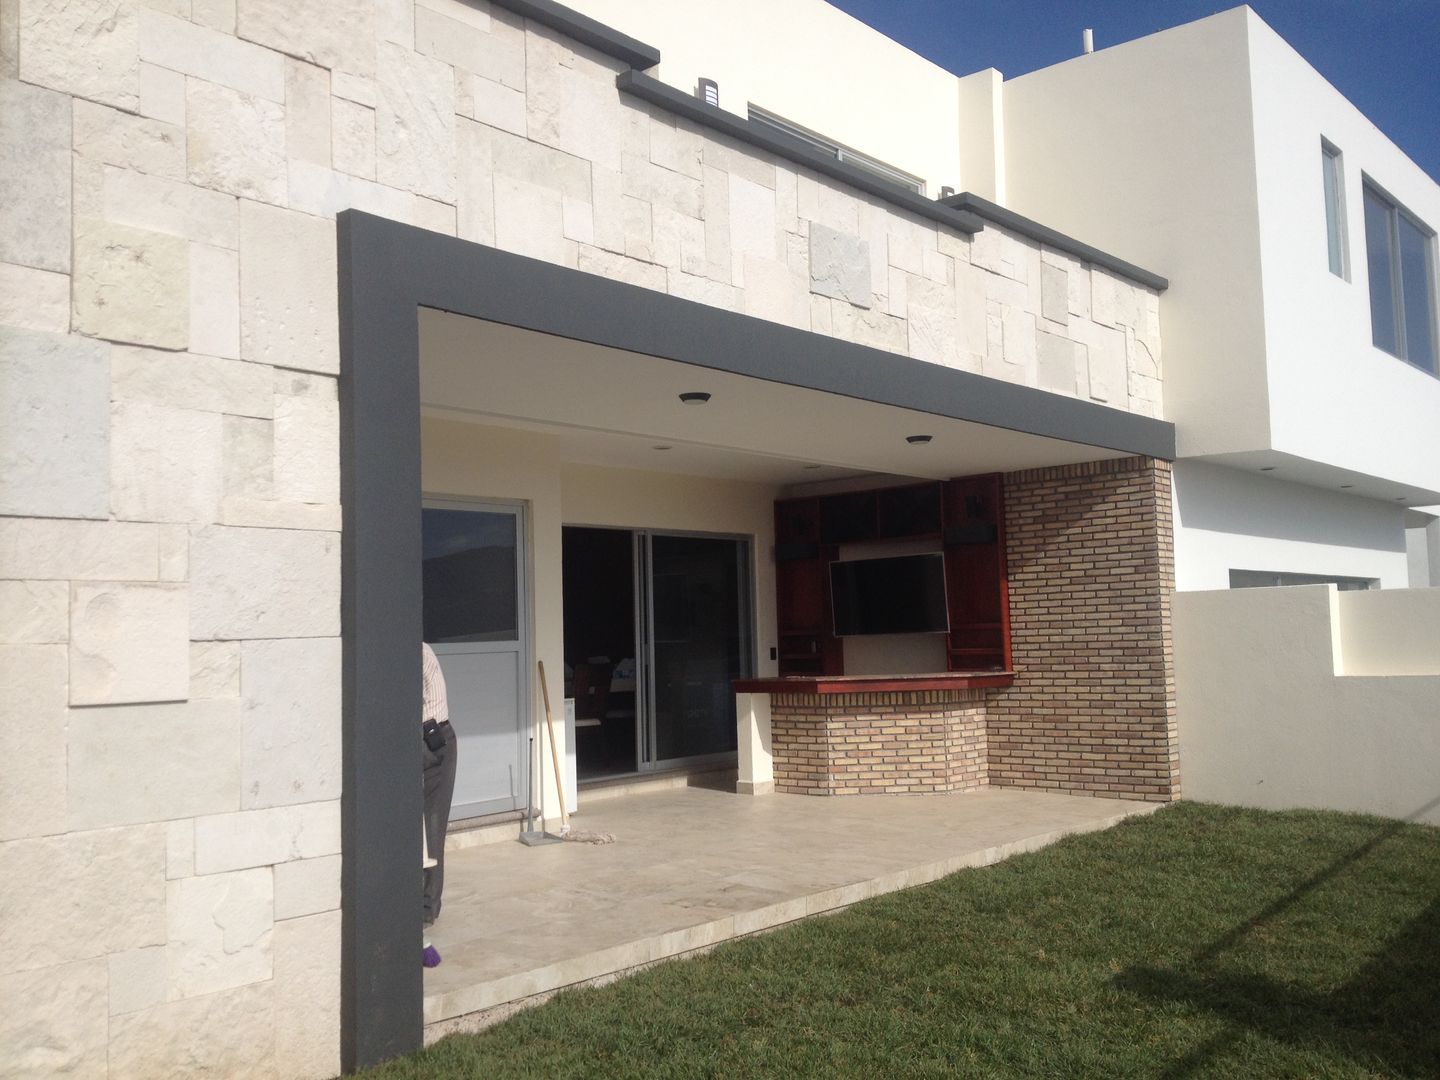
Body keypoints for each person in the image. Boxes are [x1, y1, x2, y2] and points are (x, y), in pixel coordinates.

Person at [421, 642, 457, 929]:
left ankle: (426, 908)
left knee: (432, 826)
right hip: (424, 738)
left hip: (433, 740)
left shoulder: (417, 652)